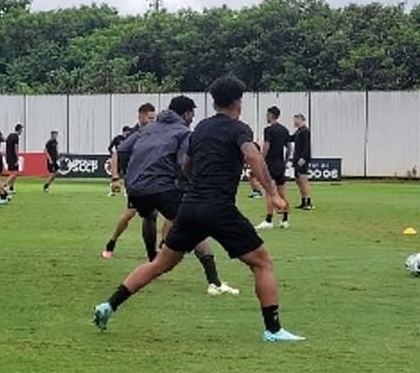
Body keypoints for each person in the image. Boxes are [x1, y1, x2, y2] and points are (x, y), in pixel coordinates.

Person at [93, 77, 303, 342]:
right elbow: (252, 155)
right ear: (238, 102)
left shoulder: (200, 128)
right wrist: (272, 193)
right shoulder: (239, 129)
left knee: (159, 264)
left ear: (215, 102)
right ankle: (273, 330)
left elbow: (187, 165)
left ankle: (108, 306)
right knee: (262, 263)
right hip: (219, 207)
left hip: (190, 206)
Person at [120, 95, 241, 296]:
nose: (193, 118)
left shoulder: (147, 128)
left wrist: (129, 173)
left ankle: (152, 261)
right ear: (186, 113)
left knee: (149, 216)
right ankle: (215, 282)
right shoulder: (183, 132)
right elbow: (183, 164)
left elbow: (123, 149)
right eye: (192, 114)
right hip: (161, 186)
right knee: (195, 225)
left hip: (135, 187)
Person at [101, 106, 158, 258]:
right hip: (135, 181)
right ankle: (112, 241)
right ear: (140, 117)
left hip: (153, 181)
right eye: (150, 118)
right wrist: (115, 178)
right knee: (130, 214)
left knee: (159, 214)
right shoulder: (133, 135)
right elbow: (116, 155)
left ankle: (160, 249)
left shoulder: (155, 133)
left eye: (154, 118)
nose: (153, 121)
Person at [256, 106, 292, 229]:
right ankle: (285, 220)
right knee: (282, 193)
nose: (266, 117)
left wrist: (260, 160)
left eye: (267, 115)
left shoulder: (268, 130)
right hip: (280, 164)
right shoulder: (284, 130)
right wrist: (286, 160)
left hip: (270, 164)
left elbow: (266, 146)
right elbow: (289, 148)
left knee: (269, 192)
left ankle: (269, 220)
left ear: (271, 115)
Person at [291, 113, 314, 210]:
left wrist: (303, 158)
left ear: (302, 120)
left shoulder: (305, 131)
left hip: (302, 160)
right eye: (294, 120)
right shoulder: (298, 132)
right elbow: (291, 138)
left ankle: (308, 201)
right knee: (298, 181)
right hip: (296, 159)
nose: (295, 122)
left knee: (303, 180)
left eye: (296, 120)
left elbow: (307, 147)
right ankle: (303, 200)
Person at [108, 125, 134, 197]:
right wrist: (113, 154)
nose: (127, 134)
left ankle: (127, 191)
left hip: (127, 159)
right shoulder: (117, 138)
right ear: (123, 132)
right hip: (118, 159)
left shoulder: (130, 138)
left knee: (127, 175)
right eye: (126, 132)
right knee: (115, 175)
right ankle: (113, 191)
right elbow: (110, 147)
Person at [4, 124, 23, 194]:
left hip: (8, 156)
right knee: (14, 173)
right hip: (13, 157)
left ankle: (11, 188)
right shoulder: (16, 137)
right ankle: (5, 185)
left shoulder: (10, 135)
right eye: (21, 130)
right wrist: (17, 158)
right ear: (19, 130)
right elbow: (16, 148)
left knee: (12, 172)